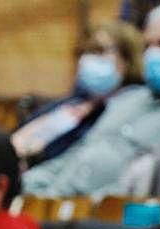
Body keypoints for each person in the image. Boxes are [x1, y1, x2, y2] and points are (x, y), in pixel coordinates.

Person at [22, 4, 160, 200]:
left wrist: (81, 209)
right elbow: (77, 155)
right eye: (148, 45)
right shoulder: (129, 100)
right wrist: (25, 188)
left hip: (104, 225)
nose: (153, 54)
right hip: (55, 207)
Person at [12, 21, 143, 168]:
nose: (88, 59)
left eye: (99, 51)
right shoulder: (74, 102)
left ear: (129, 59)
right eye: (86, 51)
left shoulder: (130, 110)